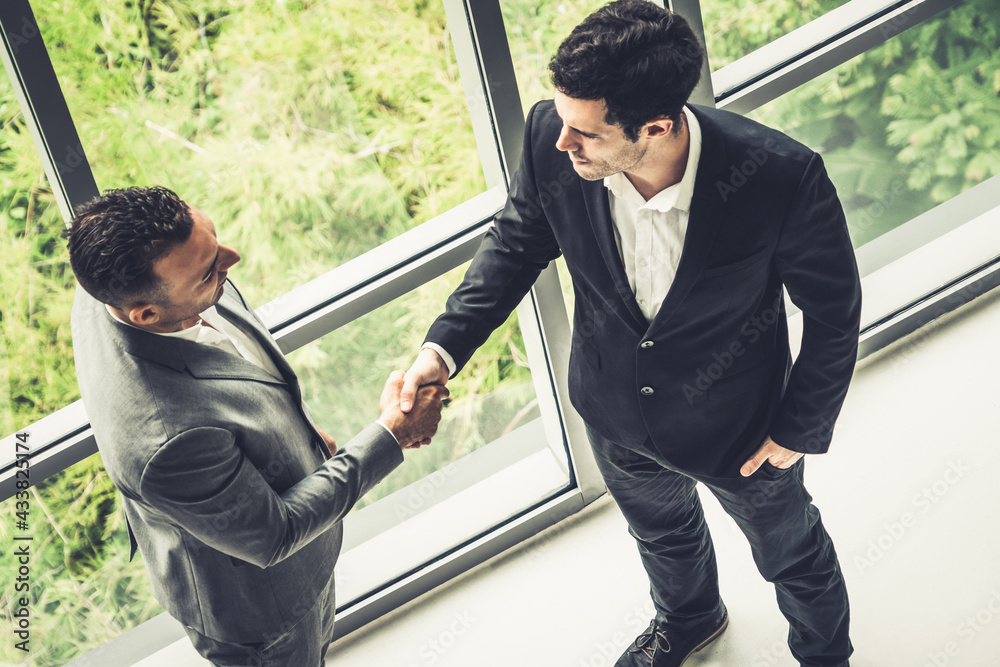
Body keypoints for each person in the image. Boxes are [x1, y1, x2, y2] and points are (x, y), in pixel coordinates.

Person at [399, 1, 861, 665]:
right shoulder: (551, 138)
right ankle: (690, 617)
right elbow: (517, 242)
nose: (563, 143)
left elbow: (835, 307)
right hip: (613, 412)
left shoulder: (780, 178)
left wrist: (799, 427)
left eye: (584, 133)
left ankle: (826, 657)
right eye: (563, 122)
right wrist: (440, 350)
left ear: (655, 126)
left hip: (743, 430)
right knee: (663, 536)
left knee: (795, 557)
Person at [68, 186, 449, 667]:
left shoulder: (112, 275)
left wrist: (296, 440)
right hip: (263, 612)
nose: (234, 257)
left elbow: (240, 386)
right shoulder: (166, 440)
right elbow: (275, 535)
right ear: (145, 314)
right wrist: (392, 434)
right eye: (210, 270)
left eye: (213, 239)